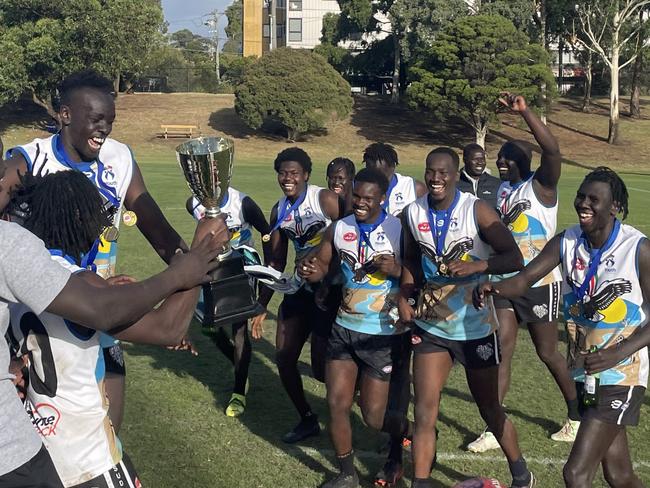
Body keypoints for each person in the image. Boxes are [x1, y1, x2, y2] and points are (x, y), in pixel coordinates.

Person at [0, 167, 227, 486]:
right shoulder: (84, 283)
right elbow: (168, 328)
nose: (103, 223)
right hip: (88, 459)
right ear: (79, 217)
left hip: (41, 446)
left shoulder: (18, 280)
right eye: (99, 212)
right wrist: (202, 249)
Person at [2, 70, 189, 432]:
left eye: (111, 121)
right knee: (48, 433)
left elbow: (161, 234)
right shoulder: (27, 161)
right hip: (41, 318)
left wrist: (189, 284)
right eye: (96, 119)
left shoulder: (119, 159)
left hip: (104, 305)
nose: (104, 129)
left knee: (107, 430)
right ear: (65, 114)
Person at [474, 167, 648, 488]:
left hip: (622, 374)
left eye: (594, 200)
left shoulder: (637, 248)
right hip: (585, 373)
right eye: (581, 196)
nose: (584, 203)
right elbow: (526, 278)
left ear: (614, 207)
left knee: (575, 473)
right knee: (620, 475)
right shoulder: (568, 241)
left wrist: (617, 354)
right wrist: (492, 287)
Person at [399, 147, 535, 488]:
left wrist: (479, 266)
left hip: (474, 325)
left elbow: (514, 257)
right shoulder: (412, 213)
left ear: (456, 175)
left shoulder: (476, 209)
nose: (436, 178)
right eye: (431, 171)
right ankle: (421, 482)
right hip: (433, 324)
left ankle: (520, 473)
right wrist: (405, 295)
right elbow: (412, 262)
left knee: (489, 407)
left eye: (444, 172)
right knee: (425, 410)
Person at [467, 94, 580, 453]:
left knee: (548, 352)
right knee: (502, 349)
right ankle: (494, 425)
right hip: (505, 282)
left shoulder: (542, 186)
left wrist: (525, 112)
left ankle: (576, 415)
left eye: (507, 156)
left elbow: (553, 151)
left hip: (541, 282)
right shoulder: (502, 191)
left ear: (523, 161)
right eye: (499, 156)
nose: (500, 161)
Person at [298, 168, 410, 488]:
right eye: (356, 196)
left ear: (383, 199)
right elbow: (322, 265)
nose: (360, 202)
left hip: (383, 336)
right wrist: (310, 269)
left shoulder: (398, 230)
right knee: (337, 403)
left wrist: (397, 269)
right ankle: (348, 474)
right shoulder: (339, 227)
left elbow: (417, 276)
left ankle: (417, 431)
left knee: (373, 417)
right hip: (343, 329)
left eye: (368, 198)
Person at [253, 147, 340, 443]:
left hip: (329, 290)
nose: (287, 178)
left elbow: (348, 235)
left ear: (305, 175)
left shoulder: (324, 199)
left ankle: (353, 400)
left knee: (319, 370)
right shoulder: (278, 210)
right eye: (282, 173)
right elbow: (276, 262)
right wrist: (262, 304)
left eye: (294, 173)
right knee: (285, 356)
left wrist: (324, 265)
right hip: (299, 290)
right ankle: (307, 418)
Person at [363, 143, 426, 485]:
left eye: (380, 164)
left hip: (403, 295)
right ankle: (404, 429)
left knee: (401, 378)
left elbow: (423, 245)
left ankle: (394, 458)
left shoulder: (413, 190)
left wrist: (402, 274)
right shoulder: (364, 196)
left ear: (393, 166)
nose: (375, 168)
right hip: (366, 303)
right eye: (369, 163)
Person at [186, 187, 271, 417]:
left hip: (242, 267)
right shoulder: (193, 204)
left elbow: (267, 233)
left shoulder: (243, 203)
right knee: (209, 327)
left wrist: (266, 274)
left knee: (239, 329)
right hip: (214, 268)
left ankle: (239, 391)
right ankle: (239, 362)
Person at [362, 142, 427, 217]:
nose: (376, 178)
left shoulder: (414, 188)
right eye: (371, 173)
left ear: (393, 167)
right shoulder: (358, 188)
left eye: (380, 174)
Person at [457, 143, 500, 209]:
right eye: (475, 159)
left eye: (482, 159)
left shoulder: (498, 184)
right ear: (465, 160)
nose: (480, 162)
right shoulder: (454, 183)